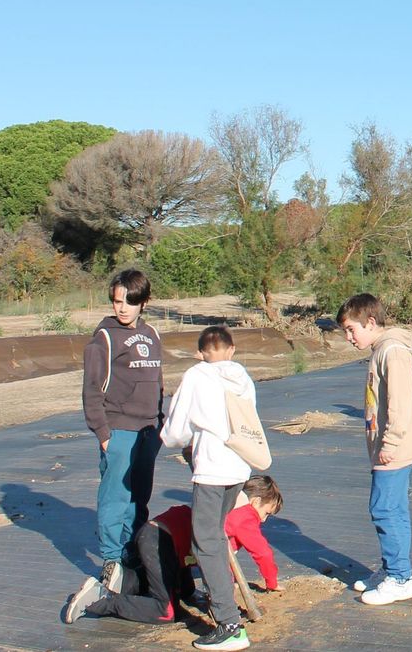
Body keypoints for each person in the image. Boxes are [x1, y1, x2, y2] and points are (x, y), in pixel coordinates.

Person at [65, 475, 284, 626]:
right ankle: (100, 600)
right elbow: (262, 553)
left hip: (161, 536)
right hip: (162, 542)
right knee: (165, 611)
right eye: (267, 513)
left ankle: (125, 580)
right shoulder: (245, 516)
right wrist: (271, 583)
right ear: (255, 502)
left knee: (180, 586)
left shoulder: (225, 502)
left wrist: (192, 591)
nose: (263, 520)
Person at [158, 325, 258, 651]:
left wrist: (180, 442)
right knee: (214, 535)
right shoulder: (242, 376)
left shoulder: (197, 375)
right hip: (239, 467)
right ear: (231, 350)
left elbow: (176, 429)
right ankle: (224, 602)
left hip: (212, 471)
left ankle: (229, 624)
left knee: (206, 544)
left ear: (201, 352)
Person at [338, 294, 412, 606]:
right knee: (394, 508)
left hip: (395, 444)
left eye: (351, 330)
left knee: (384, 508)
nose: (349, 338)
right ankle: (393, 569)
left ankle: (400, 578)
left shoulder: (393, 351)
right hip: (392, 442)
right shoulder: (383, 349)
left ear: (370, 322)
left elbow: (399, 405)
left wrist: (388, 444)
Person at [83, 268, 164, 593]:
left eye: (130, 302)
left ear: (143, 302)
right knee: (115, 498)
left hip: (148, 432)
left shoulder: (153, 334)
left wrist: (161, 424)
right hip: (119, 429)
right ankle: (112, 562)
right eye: (118, 302)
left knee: (139, 500)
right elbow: (92, 390)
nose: (122, 308)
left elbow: (157, 382)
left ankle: (133, 556)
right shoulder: (104, 337)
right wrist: (103, 433)